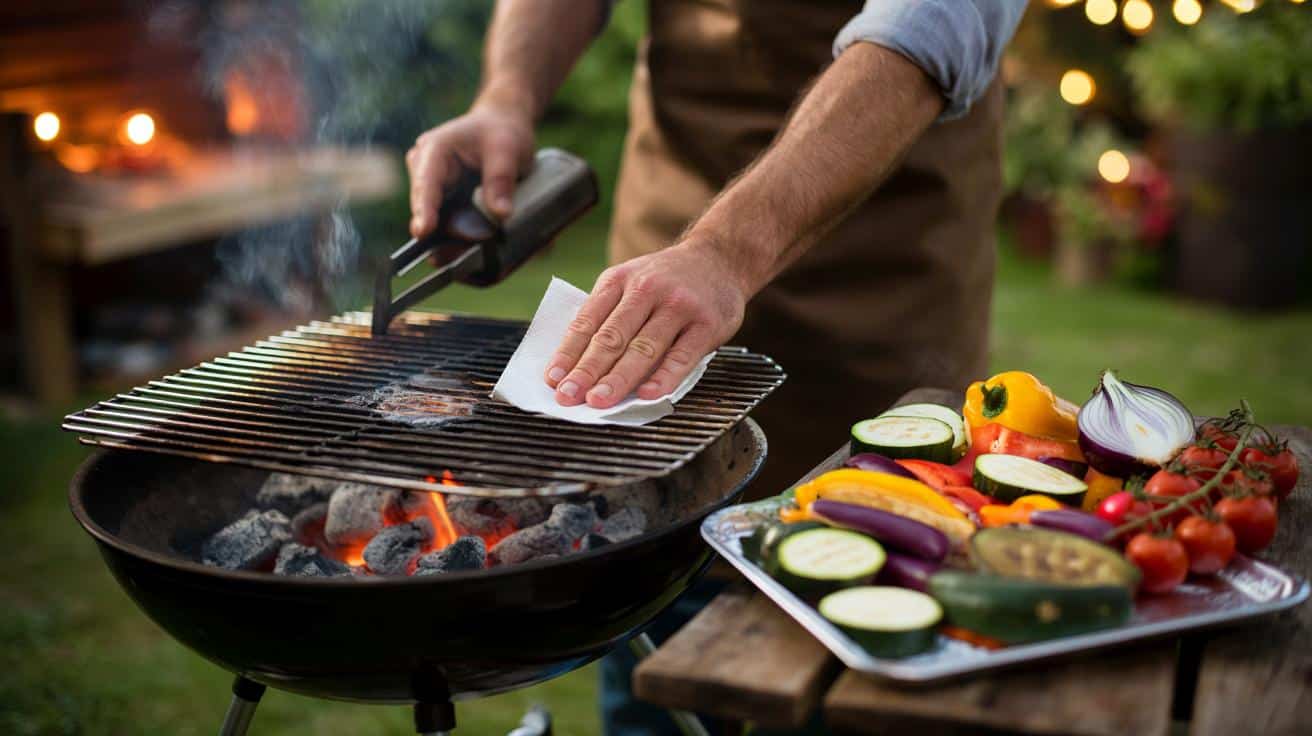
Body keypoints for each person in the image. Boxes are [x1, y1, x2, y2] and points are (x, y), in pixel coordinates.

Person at [409, 1, 1027, 731]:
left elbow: (924, 32)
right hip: (665, 246)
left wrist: (726, 253)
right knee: (655, 657)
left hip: (881, 284)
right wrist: (507, 96)